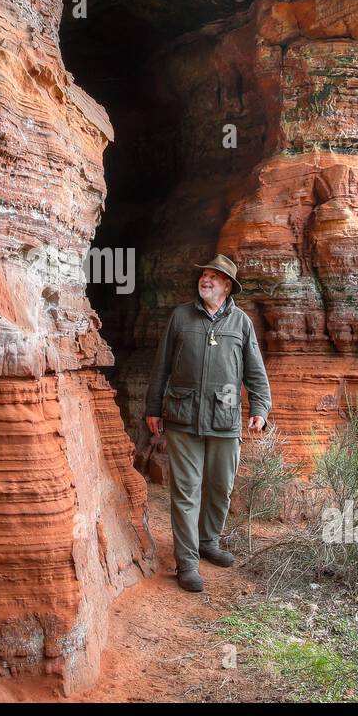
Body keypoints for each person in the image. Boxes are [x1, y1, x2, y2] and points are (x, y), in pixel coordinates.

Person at [143, 254, 271, 593]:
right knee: (185, 492)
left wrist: (260, 406)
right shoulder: (180, 317)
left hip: (225, 417)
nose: (207, 280)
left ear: (227, 286)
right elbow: (161, 367)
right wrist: (154, 407)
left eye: (215, 277)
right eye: (204, 275)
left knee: (220, 487)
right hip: (183, 417)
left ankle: (207, 541)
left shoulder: (241, 323)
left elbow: (255, 371)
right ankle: (187, 562)